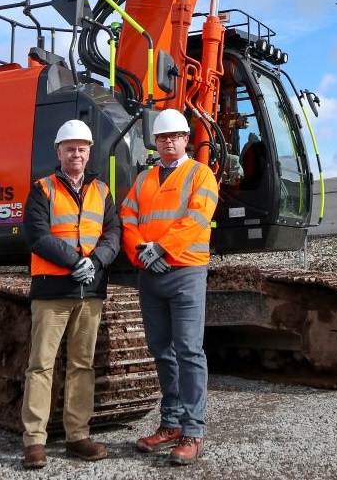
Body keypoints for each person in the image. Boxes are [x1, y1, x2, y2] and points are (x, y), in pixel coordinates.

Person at [20, 118, 121, 470]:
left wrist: (95, 262)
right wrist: (76, 261)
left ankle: (78, 434)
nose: (76, 153)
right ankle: (35, 439)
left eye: (82, 148)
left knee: (82, 365)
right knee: (41, 365)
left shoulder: (103, 190)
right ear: (59, 151)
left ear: (89, 151)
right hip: (52, 289)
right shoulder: (42, 188)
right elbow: (37, 234)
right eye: (70, 148)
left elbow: (113, 234)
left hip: (89, 291)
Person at [121, 108, 219, 465]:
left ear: (185, 139)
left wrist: (161, 248)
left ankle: (194, 432)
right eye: (162, 138)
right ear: (156, 142)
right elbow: (127, 217)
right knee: (161, 349)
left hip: (186, 272)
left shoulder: (200, 174)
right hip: (151, 274)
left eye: (175, 136)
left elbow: (197, 218)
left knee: (189, 352)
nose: (168, 142)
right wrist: (141, 253)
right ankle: (171, 423)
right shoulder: (144, 178)